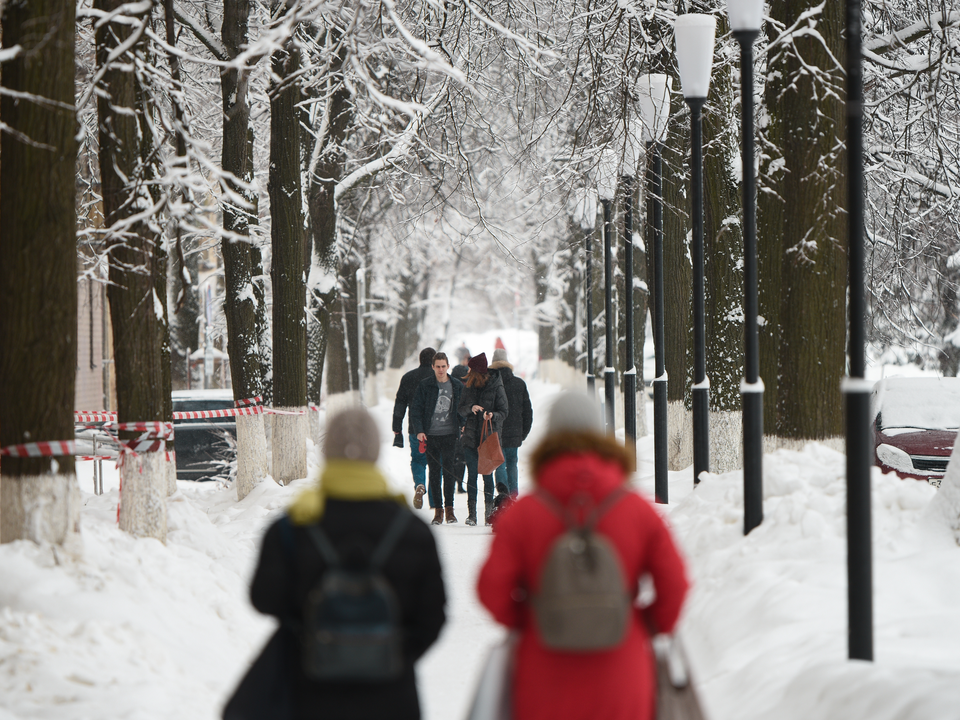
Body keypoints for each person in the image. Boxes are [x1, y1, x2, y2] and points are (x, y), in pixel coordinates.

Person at [476, 392, 689, 720]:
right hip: (623, 674)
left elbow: (490, 588)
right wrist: (640, 624)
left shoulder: (523, 514)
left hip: (543, 675)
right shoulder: (636, 510)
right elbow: (674, 584)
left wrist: (531, 619)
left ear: (551, 437)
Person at [243, 407, 446, 720]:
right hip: (392, 698)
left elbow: (263, 598)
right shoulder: (411, 531)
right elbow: (432, 618)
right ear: (376, 452)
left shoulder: (291, 527)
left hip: (307, 692)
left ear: (328, 453)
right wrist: (390, 653)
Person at [410, 352, 464, 525]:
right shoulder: (425, 385)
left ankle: (450, 510)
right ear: (432, 367)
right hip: (431, 435)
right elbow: (416, 409)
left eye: (443, 366)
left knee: (449, 472)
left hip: (449, 434)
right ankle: (438, 511)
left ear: (448, 366)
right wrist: (419, 430)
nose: (441, 370)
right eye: (437, 366)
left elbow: (463, 407)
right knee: (434, 473)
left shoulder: (456, 385)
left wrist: (462, 424)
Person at [457, 352, 508, 526]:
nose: (469, 373)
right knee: (472, 475)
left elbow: (504, 411)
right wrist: (471, 408)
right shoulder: (469, 385)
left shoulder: (496, 385)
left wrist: (492, 415)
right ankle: (472, 515)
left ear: (479, 371)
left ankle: (488, 514)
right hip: (471, 438)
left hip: (488, 438)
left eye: (472, 370)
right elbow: (460, 409)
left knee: (487, 476)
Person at [392, 347, 436, 507]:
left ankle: (419, 484)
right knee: (435, 463)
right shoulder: (438, 377)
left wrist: (397, 427)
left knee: (418, 459)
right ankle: (434, 500)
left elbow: (400, 404)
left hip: (415, 428)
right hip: (437, 427)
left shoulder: (408, 377)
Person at [489, 347, 532, 498]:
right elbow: (528, 412)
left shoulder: (490, 384)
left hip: (496, 433)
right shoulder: (519, 384)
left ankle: (503, 495)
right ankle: (513, 497)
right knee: (512, 465)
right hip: (514, 434)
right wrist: (522, 434)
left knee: (499, 464)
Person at [450, 345, 471, 494]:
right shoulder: (464, 385)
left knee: (456, 457)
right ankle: (460, 484)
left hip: (455, 424)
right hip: (463, 424)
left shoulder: (451, 385)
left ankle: (456, 484)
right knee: (461, 457)